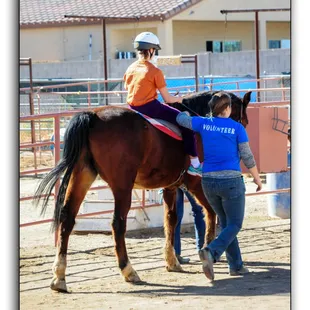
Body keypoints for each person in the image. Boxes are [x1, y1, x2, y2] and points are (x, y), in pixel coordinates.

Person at [176, 91, 263, 281]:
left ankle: (236, 266)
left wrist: (179, 103)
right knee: (235, 224)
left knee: (225, 224)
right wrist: (257, 178)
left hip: (208, 182)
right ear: (227, 109)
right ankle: (211, 251)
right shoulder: (237, 128)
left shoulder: (204, 123)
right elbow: (247, 156)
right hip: (231, 182)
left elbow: (181, 118)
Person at [123, 31, 202, 176]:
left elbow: (127, 88)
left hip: (131, 107)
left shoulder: (131, 68)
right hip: (150, 108)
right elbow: (168, 99)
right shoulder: (155, 71)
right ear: (151, 50)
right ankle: (195, 164)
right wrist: (180, 99)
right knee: (186, 123)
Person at [174, 187, 206, 264]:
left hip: (173, 178)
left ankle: (175, 255)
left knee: (175, 215)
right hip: (187, 178)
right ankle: (202, 250)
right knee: (199, 210)